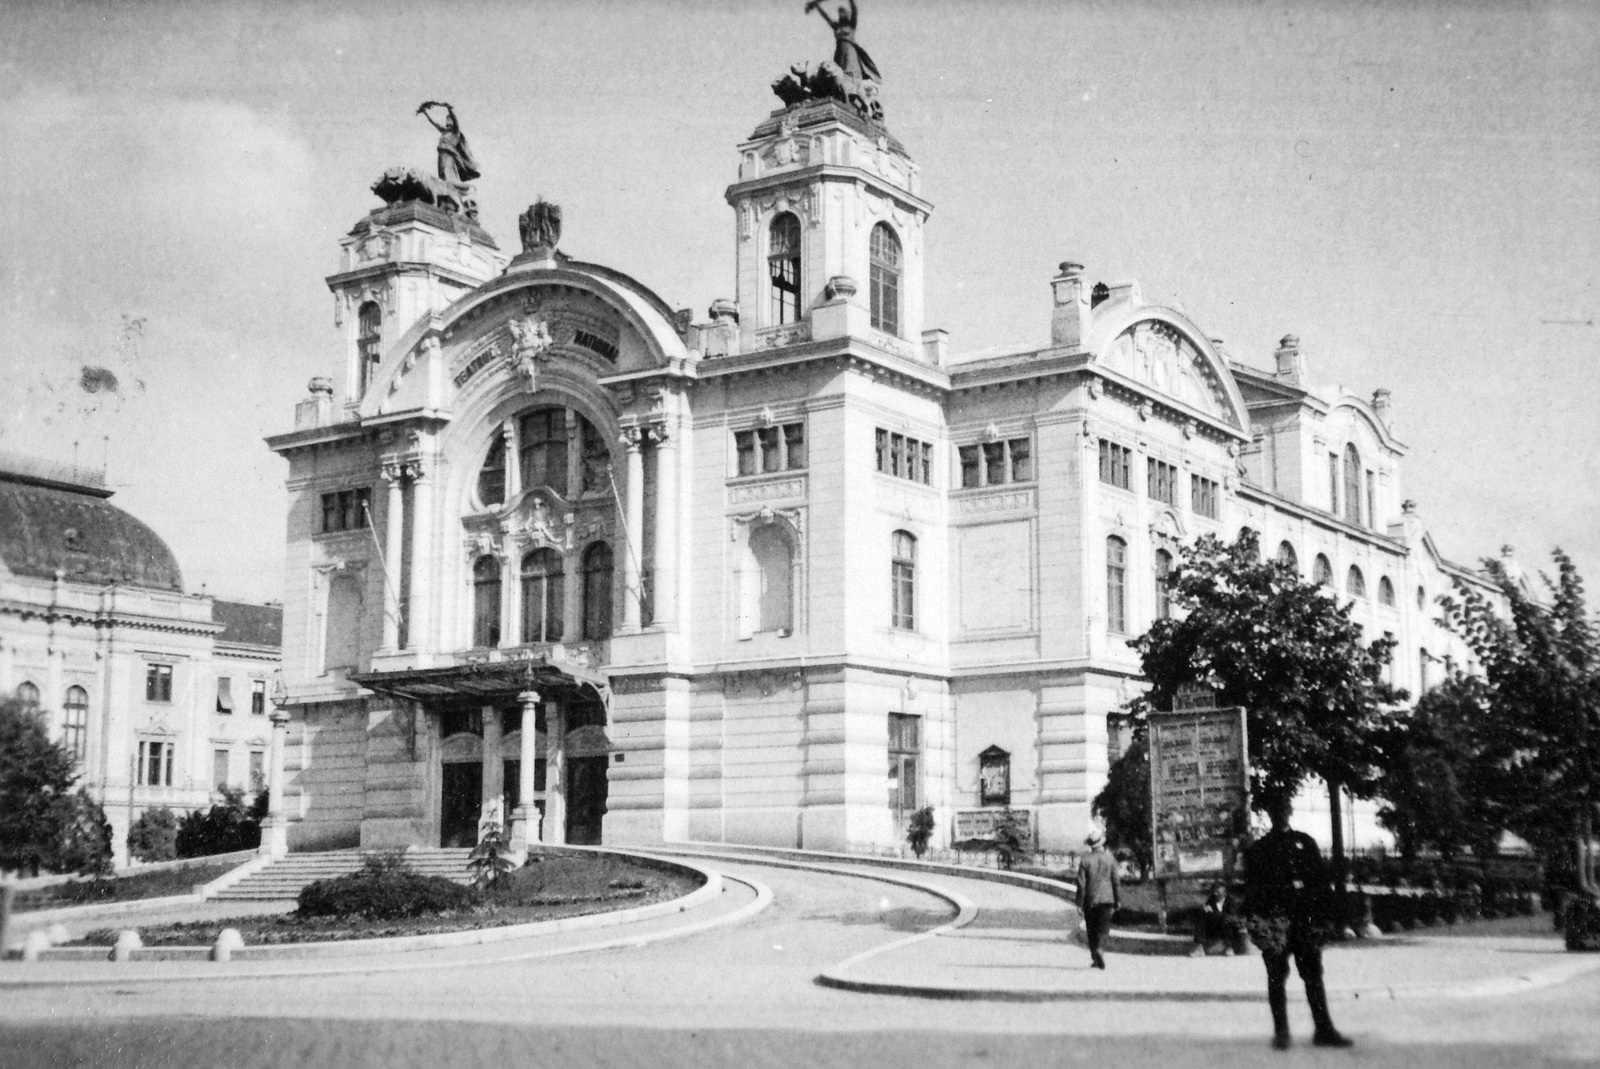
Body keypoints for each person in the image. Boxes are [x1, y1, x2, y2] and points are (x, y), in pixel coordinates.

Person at [1242, 796, 1353, 1051]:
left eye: (1284, 809)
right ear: (1269, 813)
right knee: (1276, 978)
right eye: (1275, 809)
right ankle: (1281, 1033)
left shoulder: (1305, 842)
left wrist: (1327, 919)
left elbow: (1321, 883)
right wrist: (1257, 927)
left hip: (1304, 921)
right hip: (1275, 922)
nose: (1280, 814)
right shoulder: (1259, 849)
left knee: (1313, 976)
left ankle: (1323, 1030)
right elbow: (1252, 891)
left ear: (1290, 811)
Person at [1075, 828, 1120, 970]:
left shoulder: (1085, 859)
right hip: (1107, 899)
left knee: (1091, 929)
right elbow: (1116, 881)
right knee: (1103, 928)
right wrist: (1117, 899)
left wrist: (1079, 903)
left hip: (1090, 899)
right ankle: (1100, 950)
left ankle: (1095, 956)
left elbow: (1081, 884)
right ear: (1102, 843)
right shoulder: (1110, 858)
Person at [806, 0, 881, 83]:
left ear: (847, 14)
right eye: (839, 13)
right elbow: (826, 16)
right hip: (839, 50)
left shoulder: (851, 24)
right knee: (837, 71)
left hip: (850, 50)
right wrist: (817, 6)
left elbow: (854, 9)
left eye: (843, 12)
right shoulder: (836, 26)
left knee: (850, 69)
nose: (841, 14)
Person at [1190, 881, 1236, 957]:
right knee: (1201, 918)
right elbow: (1208, 914)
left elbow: (1230, 916)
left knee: (1227, 921)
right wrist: (1205, 910)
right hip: (1214, 926)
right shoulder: (1211, 900)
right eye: (1215, 890)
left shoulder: (1230, 901)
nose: (1216, 893)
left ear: (1224, 892)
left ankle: (1229, 947)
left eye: (1218, 891)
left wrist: (1213, 912)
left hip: (1226, 928)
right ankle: (1199, 947)